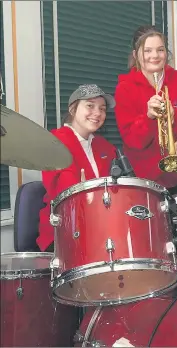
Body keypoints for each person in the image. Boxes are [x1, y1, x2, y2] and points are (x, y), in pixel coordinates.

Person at [114, 25, 177, 195]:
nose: (154, 56)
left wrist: (174, 116)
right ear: (135, 55)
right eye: (147, 50)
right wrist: (148, 117)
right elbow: (133, 140)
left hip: (176, 174)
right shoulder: (124, 88)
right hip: (143, 179)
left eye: (160, 50)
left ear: (166, 53)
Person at [37, 84, 117, 252]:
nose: (97, 113)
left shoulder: (105, 147)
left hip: (101, 228)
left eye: (102, 109)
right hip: (63, 233)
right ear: (73, 110)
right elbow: (65, 194)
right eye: (90, 106)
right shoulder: (55, 143)